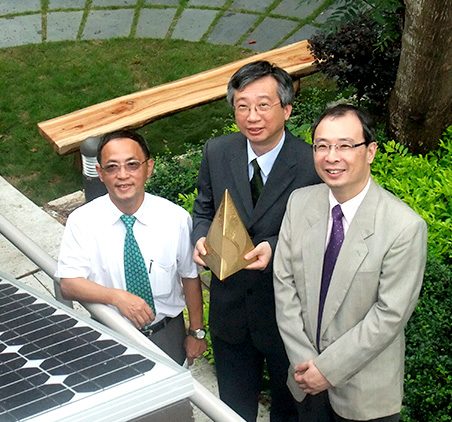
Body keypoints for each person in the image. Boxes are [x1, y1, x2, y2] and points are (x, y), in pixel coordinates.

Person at [273, 104, 428, 422]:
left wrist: (326, 370)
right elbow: (284, 282)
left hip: (365, 395)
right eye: (322, 146)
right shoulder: (300, 203)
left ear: (370, 151)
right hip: (304, 381)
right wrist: (305, 363)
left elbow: (389, 316)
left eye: (345, 145)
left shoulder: (403, 226)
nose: (331, 156)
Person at [192, 60, 322, 422]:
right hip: (230, 312)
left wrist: (276, 248)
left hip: (288, 319)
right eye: (242, 105)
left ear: (287, 109)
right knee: (232, 411)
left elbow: (321, 231)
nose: (252, 116)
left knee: (291, 411)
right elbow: (203, 207)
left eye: (263, 105)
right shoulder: (217, 152)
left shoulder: (311, 164)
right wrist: (201, 237)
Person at [56, 130, 207, 366]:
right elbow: (69, 283)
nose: (123, 175)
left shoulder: (174, 218)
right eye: (112, 167)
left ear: (148, 168)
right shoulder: (82, 222)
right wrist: (118, 298)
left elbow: (189, 276)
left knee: (173, 402)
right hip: (110, 335)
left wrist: (197, 332)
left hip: (166, 334)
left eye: (132, 165)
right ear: (100, 174)